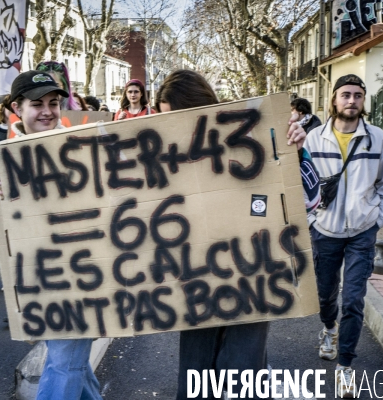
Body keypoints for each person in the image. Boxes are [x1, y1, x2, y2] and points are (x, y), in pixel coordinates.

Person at [155, 69, 311, 400]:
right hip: (196, 283)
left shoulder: (253, 137)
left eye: (177, 117)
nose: (171, 127)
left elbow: (311, 197)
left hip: (252, 280)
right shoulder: (167, 157)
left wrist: (296, 150)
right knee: (195, 381)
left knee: (240, 375)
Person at [0, 70, 102, 400]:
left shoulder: (84, 145)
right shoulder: (4, 158)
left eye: (54, 103)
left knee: (63, 363)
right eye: (37, 104)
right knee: (73, 364)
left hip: (87, 276)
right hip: (41, 281)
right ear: (18, 108)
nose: (47, 110)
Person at [303, 74, 383, 398]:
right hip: (325, 230)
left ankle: (345, 365)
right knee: (325, 295)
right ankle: (329, 329)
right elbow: (301, 182)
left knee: (354, 300)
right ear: (333, 99)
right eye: (345, 94)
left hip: (362, 231)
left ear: (363, 100)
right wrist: (310, 218)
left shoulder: (379, 140)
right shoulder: (313, 139)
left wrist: (379, 219)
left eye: (358, 95)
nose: (351, 101)